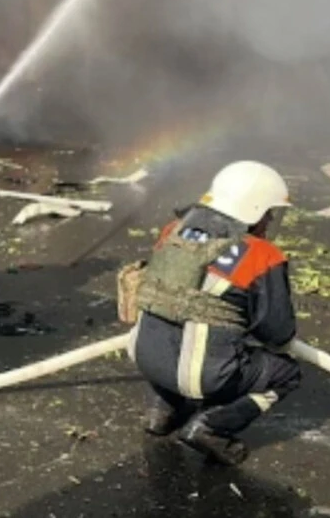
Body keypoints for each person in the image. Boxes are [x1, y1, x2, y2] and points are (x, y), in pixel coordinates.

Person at [116, 160, 301, 466]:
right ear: (253, 210)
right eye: (268, 211)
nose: (269, 219)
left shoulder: (172, 232)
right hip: (198, 375)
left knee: (174, 326)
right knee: (286, 374)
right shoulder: (260, 256)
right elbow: (278, 333)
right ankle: (212, 427)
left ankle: (161, 412)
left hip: (144, 356)